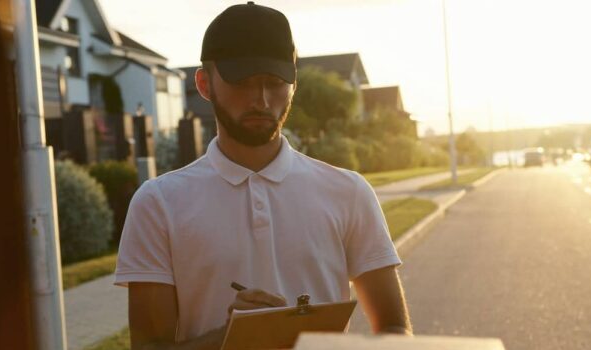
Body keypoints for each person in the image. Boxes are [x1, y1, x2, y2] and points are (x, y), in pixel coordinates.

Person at [114, 2, 412, 349]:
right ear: (204, 83)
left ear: (293, 85)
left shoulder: (349, 192)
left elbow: (394, 329)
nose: (260, 99)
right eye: (242, 81)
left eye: (274, 82)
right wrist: (232, 338)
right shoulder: (159, 203)